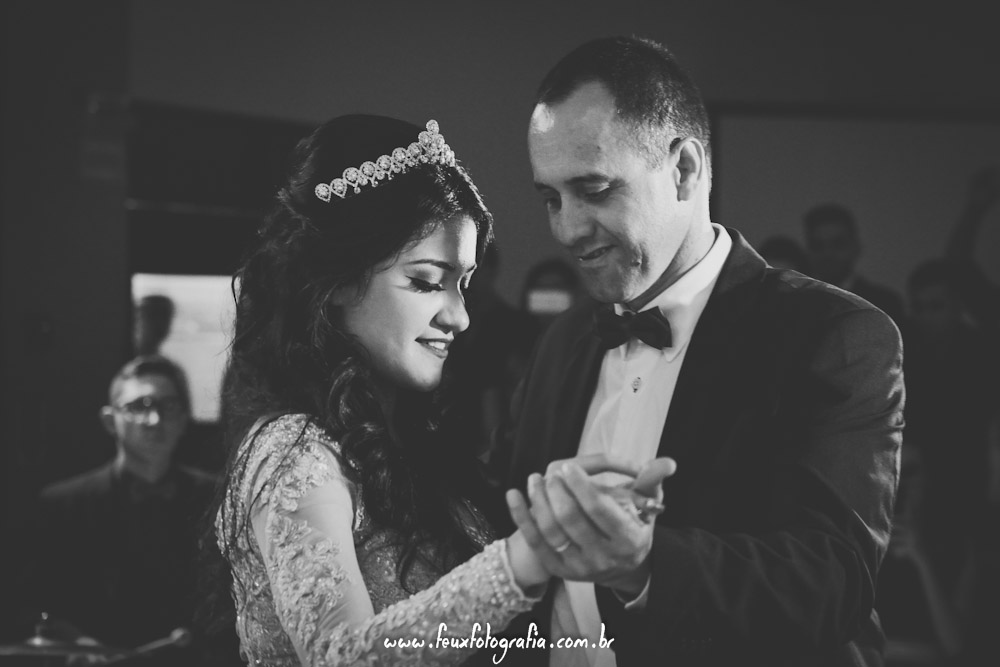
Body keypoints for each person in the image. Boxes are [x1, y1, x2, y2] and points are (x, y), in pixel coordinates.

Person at [487, 36, 904, 666]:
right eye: (551, 199)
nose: (566, 229)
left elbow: (833, 583)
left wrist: (644, 563)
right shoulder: (563, 341)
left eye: (594, 189)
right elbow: (497, 511)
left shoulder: (832, 334)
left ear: (683, 169)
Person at [207, 114, 673, 666]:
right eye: (427, 282)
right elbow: (340, 656)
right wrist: (524, 559)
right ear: (337, 282)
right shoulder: (294, 453)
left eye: (464, 284)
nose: (460, 316)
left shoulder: (407, 440)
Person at [29, 355, 227, 665]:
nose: (155, 420)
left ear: (184, 419)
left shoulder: (217, 498)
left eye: (168, 406)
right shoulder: (63, 505)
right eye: (139, 406)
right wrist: (79, 644)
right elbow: (42, 604)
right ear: (110, 421)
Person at [801, 203, 906, 325]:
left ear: (855, 247)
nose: (827, 253)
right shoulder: (798, 302)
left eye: (838, 244)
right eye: (817, 245)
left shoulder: (884, 303)